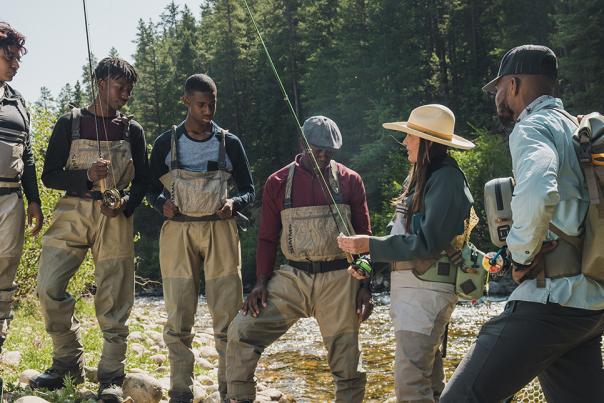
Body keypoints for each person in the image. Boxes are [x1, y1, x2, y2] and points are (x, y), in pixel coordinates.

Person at [440, 45, 604, 402]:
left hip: (550, 302)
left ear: (513, 84)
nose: (497, 96)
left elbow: (537, 192)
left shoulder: (531, 127)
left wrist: (520, 257)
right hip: (589, 307)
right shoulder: (577, 129)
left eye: (498, 88)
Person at [226, 116, 373, 403]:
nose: (323, 155)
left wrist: (367, 286)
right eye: (317, 149)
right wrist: (260, 283)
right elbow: (267, 239)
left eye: (329, 151)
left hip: (339, 280)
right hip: (292, 278)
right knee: (241, 332)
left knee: (348, 366)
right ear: (301, 144)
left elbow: (365, 237)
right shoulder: (278, 182)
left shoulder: (350, 180)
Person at [338, 104, 475, 403]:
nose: (404, 143)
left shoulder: (446, 180)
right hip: (417, 295)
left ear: (426, 142)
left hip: (426, 296)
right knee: (430, 383)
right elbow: (398, 234)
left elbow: (426, 244)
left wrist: (368, 244)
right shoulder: (421, 178)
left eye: (410, 137)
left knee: (411, 385)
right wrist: (368, 262)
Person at [32, 57, 149, 402]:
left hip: (115, 218)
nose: (125, 94)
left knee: (114, 298)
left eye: (129, 89)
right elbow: (50, 174)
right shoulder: (69, 122)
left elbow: (142, 182)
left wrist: (125, 202)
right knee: (48, 286)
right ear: (99, 82)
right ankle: (67, 362)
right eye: (119, 87)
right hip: (72, 211)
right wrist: (84, 177)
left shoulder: (133, 130)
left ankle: (111, 375)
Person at [147, 73, 255, 403]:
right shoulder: (167, 142)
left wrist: (234, 203)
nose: (208, 110)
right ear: (186, 102)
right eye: (201, 104)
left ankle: (229, 391)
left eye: (212, 103)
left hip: (220, 231)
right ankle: (181, 390)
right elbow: (149, 188)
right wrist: (160, 203)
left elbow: (250, 190)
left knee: (227, 315)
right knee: (179, 314)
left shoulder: (229, 142)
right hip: (178, 231)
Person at [0, 21, 43, 353]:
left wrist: (34, 202)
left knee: (5, 275)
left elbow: (27, 155)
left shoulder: (18, 102)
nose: (16, 64)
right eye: (11, 56)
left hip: (11, 200)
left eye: (19, 58)